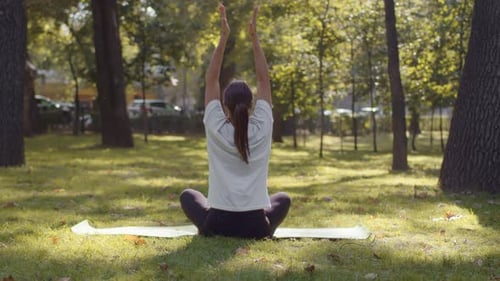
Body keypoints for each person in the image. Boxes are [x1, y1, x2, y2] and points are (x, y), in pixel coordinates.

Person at [179, 4, 291, 239]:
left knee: (188, 195)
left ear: (225, 106)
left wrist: (223, 37)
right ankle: (266, 229)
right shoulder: (262, 126)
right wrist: (254, 38)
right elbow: (263, 80)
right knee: (283, 199)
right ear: (252, 104)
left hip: (217, 223)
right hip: (256, 226)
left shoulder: (215, 125)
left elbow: (212, 80)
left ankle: (207, 229)